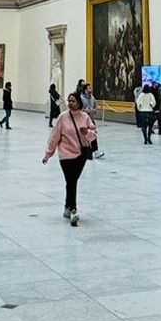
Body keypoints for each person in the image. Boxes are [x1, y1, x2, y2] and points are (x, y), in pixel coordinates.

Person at [42, 91, 98, 225]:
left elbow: (94, 132)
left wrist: (87, 132)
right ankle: (73, 209)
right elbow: (54, 136)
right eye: (69, 101)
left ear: (79, 102)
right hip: (65, 155)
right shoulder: (63, 117)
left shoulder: (84, 117)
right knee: (71, 180)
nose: (70, 103)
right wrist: (48, 154)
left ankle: (67, 206)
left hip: (81, 155)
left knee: (72, 181)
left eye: (73, 101)